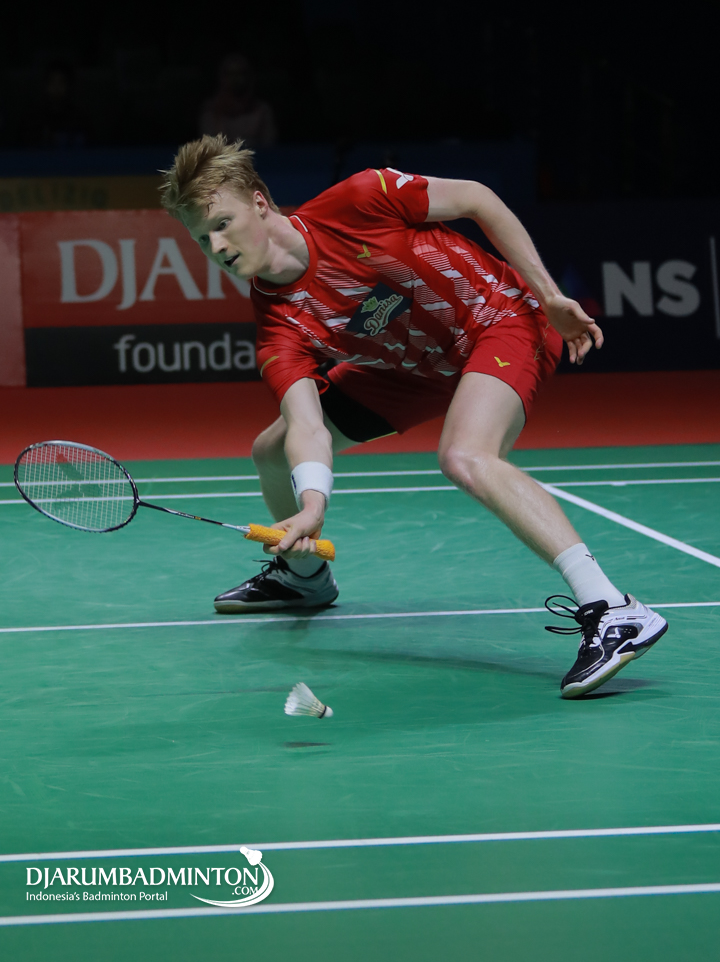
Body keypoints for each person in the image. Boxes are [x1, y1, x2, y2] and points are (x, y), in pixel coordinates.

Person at [160, 135, 667, 699]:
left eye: (223, 224)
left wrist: (548, 295)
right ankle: (304, 578)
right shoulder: (278, 327)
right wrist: (312, 506)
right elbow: (306, 425)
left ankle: (612, 609)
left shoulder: (359, 199)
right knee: (272, 451)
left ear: (259, 202)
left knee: (465, 455)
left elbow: (477, 198)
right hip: (409, 372)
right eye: (202, 238)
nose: (217, 246)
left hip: (497, 319)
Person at [198, 54, 277, 147]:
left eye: (240, 73)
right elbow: (210, 146)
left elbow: (270, 146)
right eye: (230, 74)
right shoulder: (211, 111)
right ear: (221, 78)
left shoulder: (262, 111)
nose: (235, 79)